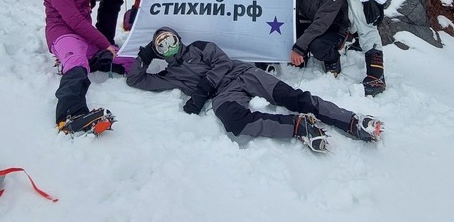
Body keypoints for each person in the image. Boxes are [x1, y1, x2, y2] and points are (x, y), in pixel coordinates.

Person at [126, 27, 383, 153]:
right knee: (234, 121)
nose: (168, 46)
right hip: (223, 95)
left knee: (291, 97)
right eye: (161, 46)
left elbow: (222, 62)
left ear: (178, 39)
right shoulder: (170, 75)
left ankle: (351, 121)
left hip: (241, 74)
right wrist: (144, 56)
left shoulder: (199, 47)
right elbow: (135, 80)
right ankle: (298, 127)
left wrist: (204, 87)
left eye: (170, 40)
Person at [38, 0, 144, 135]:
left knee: (125, 59)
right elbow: (75, 21)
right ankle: (69, 116)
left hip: (82, 38)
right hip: (63, 35)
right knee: (77, 63)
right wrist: (105, 44)